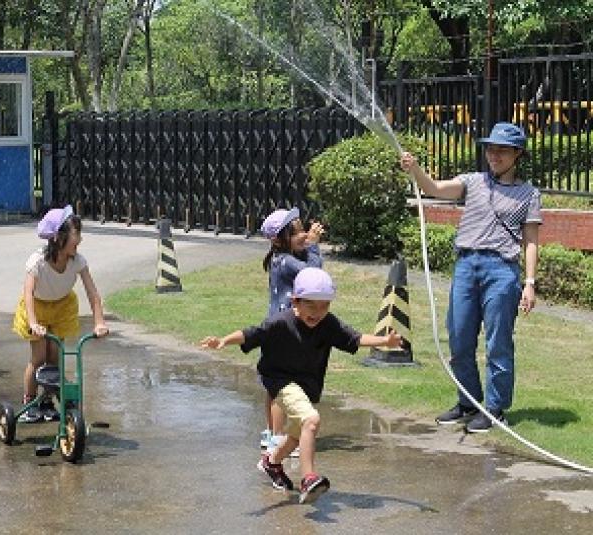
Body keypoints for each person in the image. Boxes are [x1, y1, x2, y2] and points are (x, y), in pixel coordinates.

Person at [200, 267, 402, 504]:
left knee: (297, 435)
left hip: (307, 384)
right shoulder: (280, 323)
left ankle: (272, 462)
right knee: (311, 420)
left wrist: (384, 341)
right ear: (295, 301)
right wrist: (223, 340)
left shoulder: (328, 323)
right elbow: (250, 334)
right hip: (280, 380)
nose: (317, 313)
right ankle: (308, 478)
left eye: (324, 306)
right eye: (311, 306)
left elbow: (354, 338)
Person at [400, 122, 541, 433]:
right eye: (491, 148)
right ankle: (468, 402)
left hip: (501, 271)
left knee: (497, 342)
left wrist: (529, 284)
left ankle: (494, 408)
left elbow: (530, 240)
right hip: (466, 266)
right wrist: (416, 170)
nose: (494, 155)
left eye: (502, 150)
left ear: (517, 154)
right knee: (459, 337)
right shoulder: (473, 181)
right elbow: (434, 189)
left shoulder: (528, 194)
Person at [12, 205, 109, 423]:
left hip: (62, 307)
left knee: (55, 358)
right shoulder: (37, 261)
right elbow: (28, 293)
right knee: (38, 358)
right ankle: (29, 402)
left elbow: (92, 293)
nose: (80, 239)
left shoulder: (78, 261)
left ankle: (47, 401)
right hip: (36, 307)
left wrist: (99, 322)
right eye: (76, 234)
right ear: (58, 237)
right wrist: (34, 323)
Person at [258, 207, 324, 454]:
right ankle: (277, 437)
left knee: (273, 386)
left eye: (303, 230)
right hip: (285, 332)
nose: (304, 236)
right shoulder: (286, 261)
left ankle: (271, 432)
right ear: (279, 239)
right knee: (282, 389)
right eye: (297, 233)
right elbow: (314, 274)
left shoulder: (279, 258)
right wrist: (314, 246)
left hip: (275, 329)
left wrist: (307, 244)